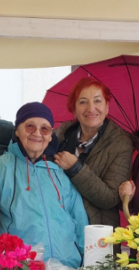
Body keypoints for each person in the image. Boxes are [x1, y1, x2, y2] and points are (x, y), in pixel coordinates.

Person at [0, 102, 89, 269]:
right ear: (17, 130)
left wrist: (87, 260)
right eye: (30, 126)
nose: (37, 133)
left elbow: (79, 219)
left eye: (45, 129)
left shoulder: (59, 171)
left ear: (50, 135)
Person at [54, 78, 133, 227]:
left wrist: (75, 168)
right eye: (83, 102)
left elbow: (110, 198)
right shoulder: (60, 136)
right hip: (61, 227)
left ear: (107, 107)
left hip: (98, 232)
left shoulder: (121, 143)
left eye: (97, 101)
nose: (91, 108)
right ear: (74, 109)